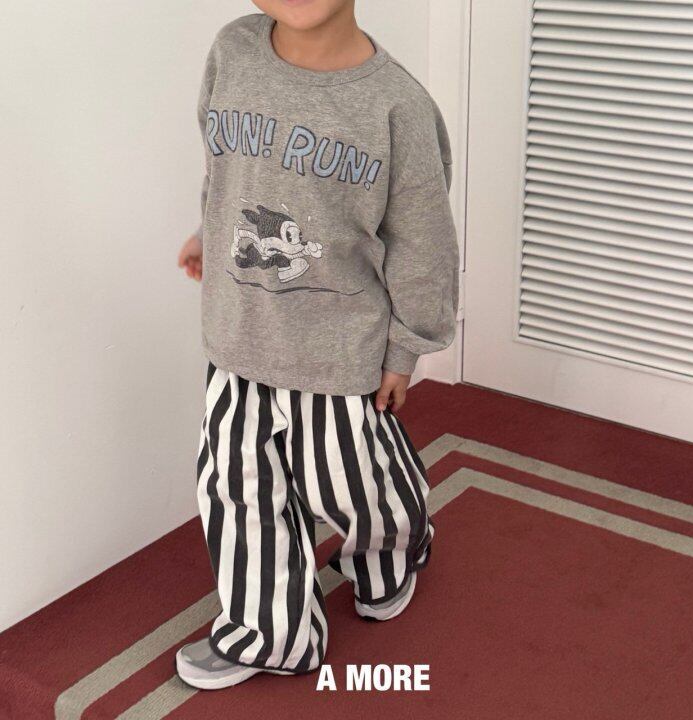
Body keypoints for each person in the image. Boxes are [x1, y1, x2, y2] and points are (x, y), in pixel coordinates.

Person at [175, 0, 458, 690]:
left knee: (351, 481)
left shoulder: (398, 107)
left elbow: (422, 243)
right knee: (235, 488)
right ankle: (271, 634)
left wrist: (406, 346)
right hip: (238, 336)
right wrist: (210, 232)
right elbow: (226, 168)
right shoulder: (233, 51)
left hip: (339, 350)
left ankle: (394, 548)